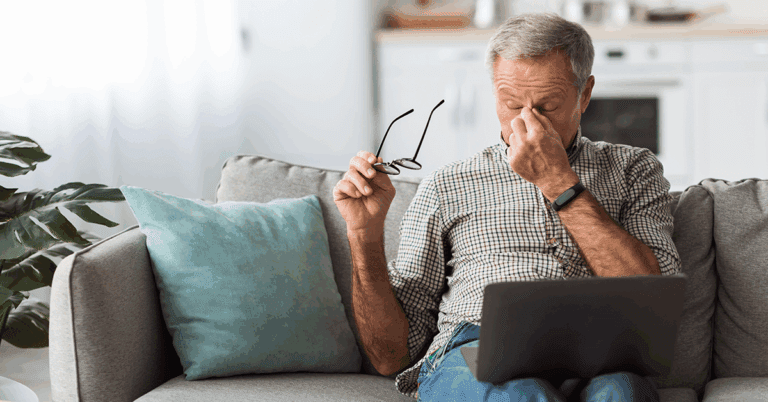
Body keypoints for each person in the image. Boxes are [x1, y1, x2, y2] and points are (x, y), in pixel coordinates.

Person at [332, 13, 680, 402]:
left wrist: (558, 182)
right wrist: (363, 235)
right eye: (511, 103)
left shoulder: (633, 169)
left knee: (622, 392)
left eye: (547, 105)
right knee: (522, 396)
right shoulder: (448, 184)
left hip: (599, 353)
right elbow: (391, 357)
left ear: (584, 95)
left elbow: (658, 301)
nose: (525, 122)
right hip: (475, 346)